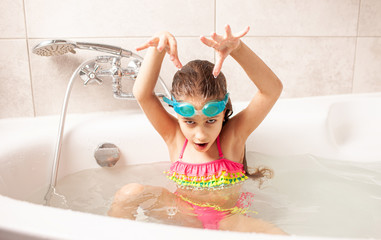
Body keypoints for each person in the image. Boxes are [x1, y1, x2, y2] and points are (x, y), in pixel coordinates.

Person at [108, 25, 285, 234]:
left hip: (227, 220)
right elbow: (142, 94)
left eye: (210, 121)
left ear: (223, 111)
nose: (200, 135)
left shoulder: (232, 138)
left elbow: (271, 90)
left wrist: (238, 49)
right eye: (190, 122)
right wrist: (158, 48)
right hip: (183, 215)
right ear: (177, 114)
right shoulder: (174, 136)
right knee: (129, 193)